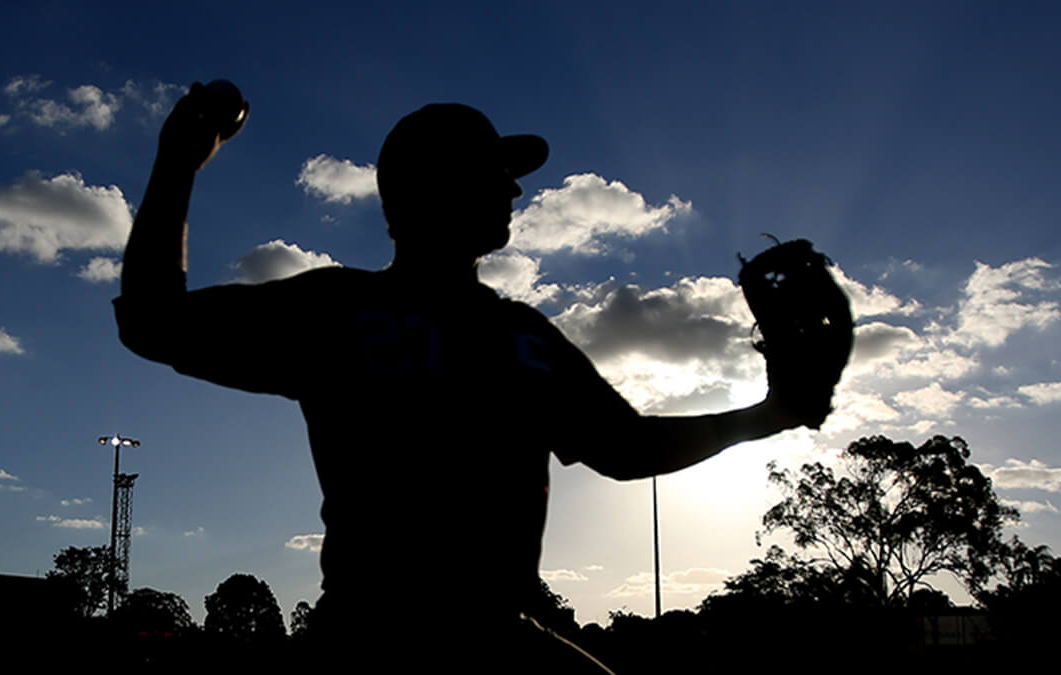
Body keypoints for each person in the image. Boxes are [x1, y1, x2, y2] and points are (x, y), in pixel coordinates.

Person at [115, 85, 807, 670]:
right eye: (490, 173)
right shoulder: (347, 309)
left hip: (488, 636)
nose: (511, 189)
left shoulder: (516, 331)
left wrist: (771, 414)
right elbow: (153, 322)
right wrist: (179, 163)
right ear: (435, 187)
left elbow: (627, 447)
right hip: (373, 643)